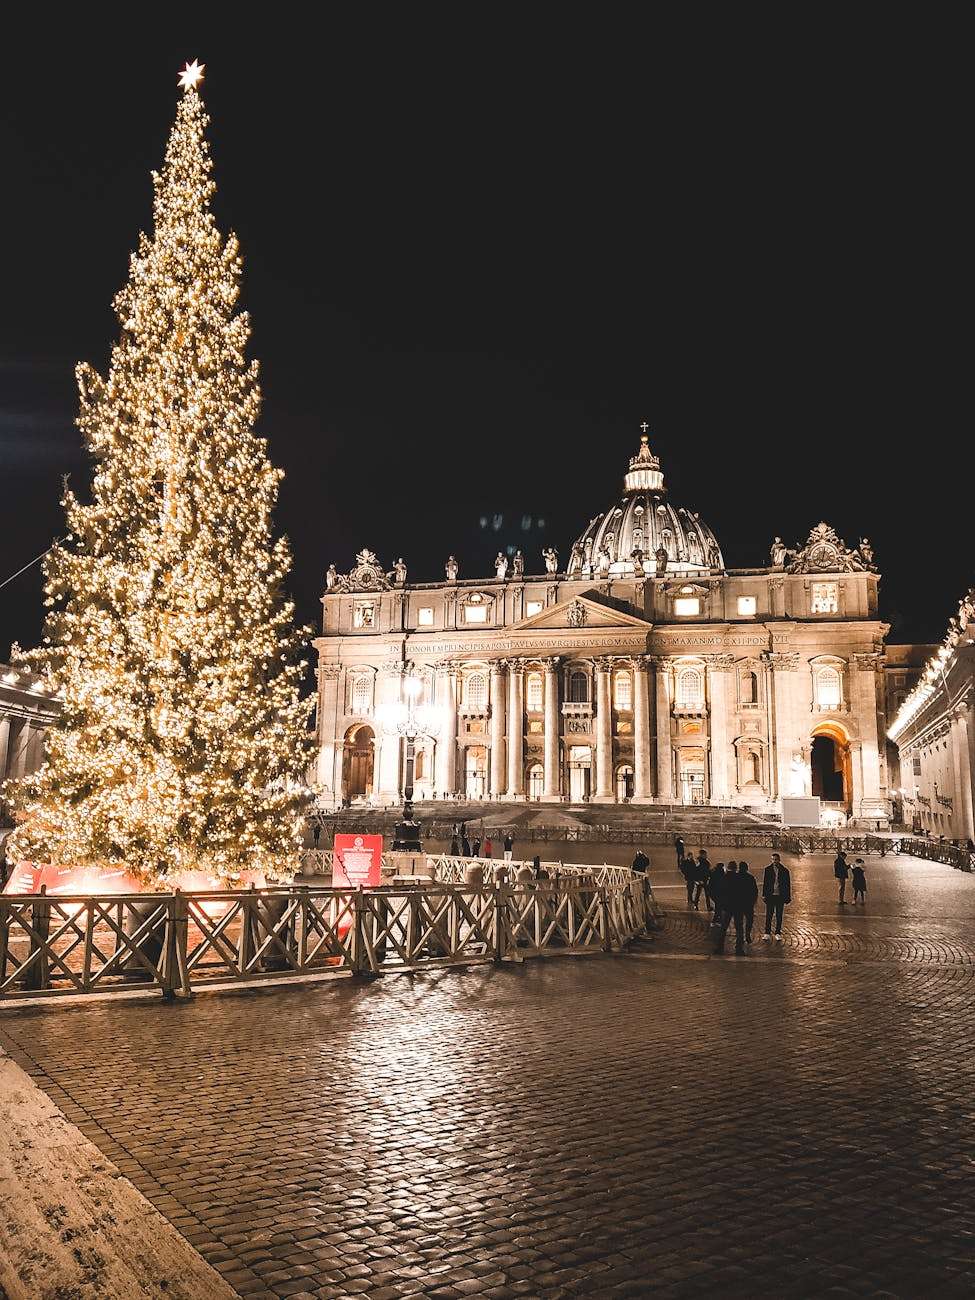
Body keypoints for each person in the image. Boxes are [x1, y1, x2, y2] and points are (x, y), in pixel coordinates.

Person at [761, 853, 792, 940]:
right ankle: (767, 932)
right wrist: (764, 895)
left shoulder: (785, 871)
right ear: (771, 860)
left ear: (779, 860)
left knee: (779, 915)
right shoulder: (767, 870)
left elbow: (787, 885)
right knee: (769, 915)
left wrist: (788, 897)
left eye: (776, 859)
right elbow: (765, 883)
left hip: (780, 896)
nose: (774, 861)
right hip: (770, 895)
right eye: (773, 859)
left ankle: (778, 932)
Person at [738, 861, 759, 944]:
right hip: (748, 903)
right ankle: (747, 935)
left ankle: (740, 936)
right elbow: (755, 891)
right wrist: (753, 901)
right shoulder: (750, 878)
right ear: (747, 868)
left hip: (738, 903)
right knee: (749, 920)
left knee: (739, 921)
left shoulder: (736, 877)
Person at [708, 862, 727, 929]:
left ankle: (718, 921)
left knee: (718, 908)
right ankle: (716, 921)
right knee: (719, 908)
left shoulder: (714, 874)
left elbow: (710, 885)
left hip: (715, 894)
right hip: (720, 894)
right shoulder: (722, 875)